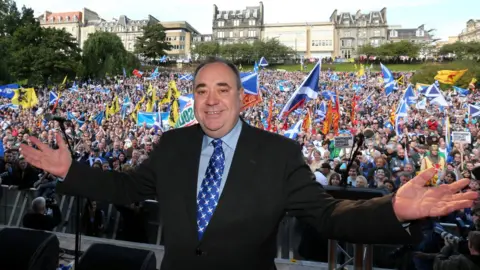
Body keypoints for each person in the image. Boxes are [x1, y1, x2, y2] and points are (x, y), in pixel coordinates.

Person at [20, 58, 478, 270]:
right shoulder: (172, 144)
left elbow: (326, 214)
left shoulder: (278, 153)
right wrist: (68, 171)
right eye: (201, 90)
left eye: (223, 89)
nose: (211, 100)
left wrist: (392, 208)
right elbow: (128, 190)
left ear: (242, 98)